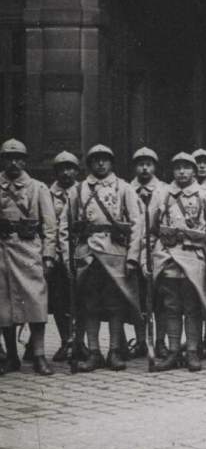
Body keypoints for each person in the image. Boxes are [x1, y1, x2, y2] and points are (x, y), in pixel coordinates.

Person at [59, 144, 143, 372]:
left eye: (105, 159)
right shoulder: (78, 190)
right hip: (87, 256)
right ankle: (94, 352)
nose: (100, 164)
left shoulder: (123, 188)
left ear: (111, 162)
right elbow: (65, 227)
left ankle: (115, 351)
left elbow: (137, 224)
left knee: (115, 305)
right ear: (89, 164)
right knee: (89, 305)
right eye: (95, 160)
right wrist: (69, 259)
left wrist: (133, 257)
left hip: (115, 255)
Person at [145, 152, 206, 372]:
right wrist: (150, 258)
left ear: (194, 170)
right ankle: (173, 351)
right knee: (171, 306)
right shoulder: (161, 194)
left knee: (192, 307)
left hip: (194, 258)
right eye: (178, 167)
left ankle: (192, 350)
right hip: (168, 258)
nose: (182, 172)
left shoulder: (205, 195)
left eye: (186, 167)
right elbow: (150, 230)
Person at [0, 140, 57, 375]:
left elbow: (50, 227)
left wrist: (48, 255)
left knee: (36, 302)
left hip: (29, 249)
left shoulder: (38, 188)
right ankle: (11, 355)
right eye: (8, 158)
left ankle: (39, 355)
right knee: (4, 306)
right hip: (1, 250)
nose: (13, 162)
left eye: (18, 158)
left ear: (25, 161)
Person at [128, 147, 165, 359]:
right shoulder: (125, 189)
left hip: (156, 250)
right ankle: (141, 340)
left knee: (159, 299)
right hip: (132, 250)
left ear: (155, 166)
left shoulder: (165, 190)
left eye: (148, 164)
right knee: (136, 298)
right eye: (140, 164)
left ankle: (160, 341)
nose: (144, 168)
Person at [47, 151, 81, 363]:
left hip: (79, 254)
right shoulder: (47, 193)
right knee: (59, 301)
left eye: (70, 168)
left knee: (81, 300)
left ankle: (80, 342)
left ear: (77, 171)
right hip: (57, 256)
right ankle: (65, 340)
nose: (66, 172)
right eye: (62, 168)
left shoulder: (83, 191)